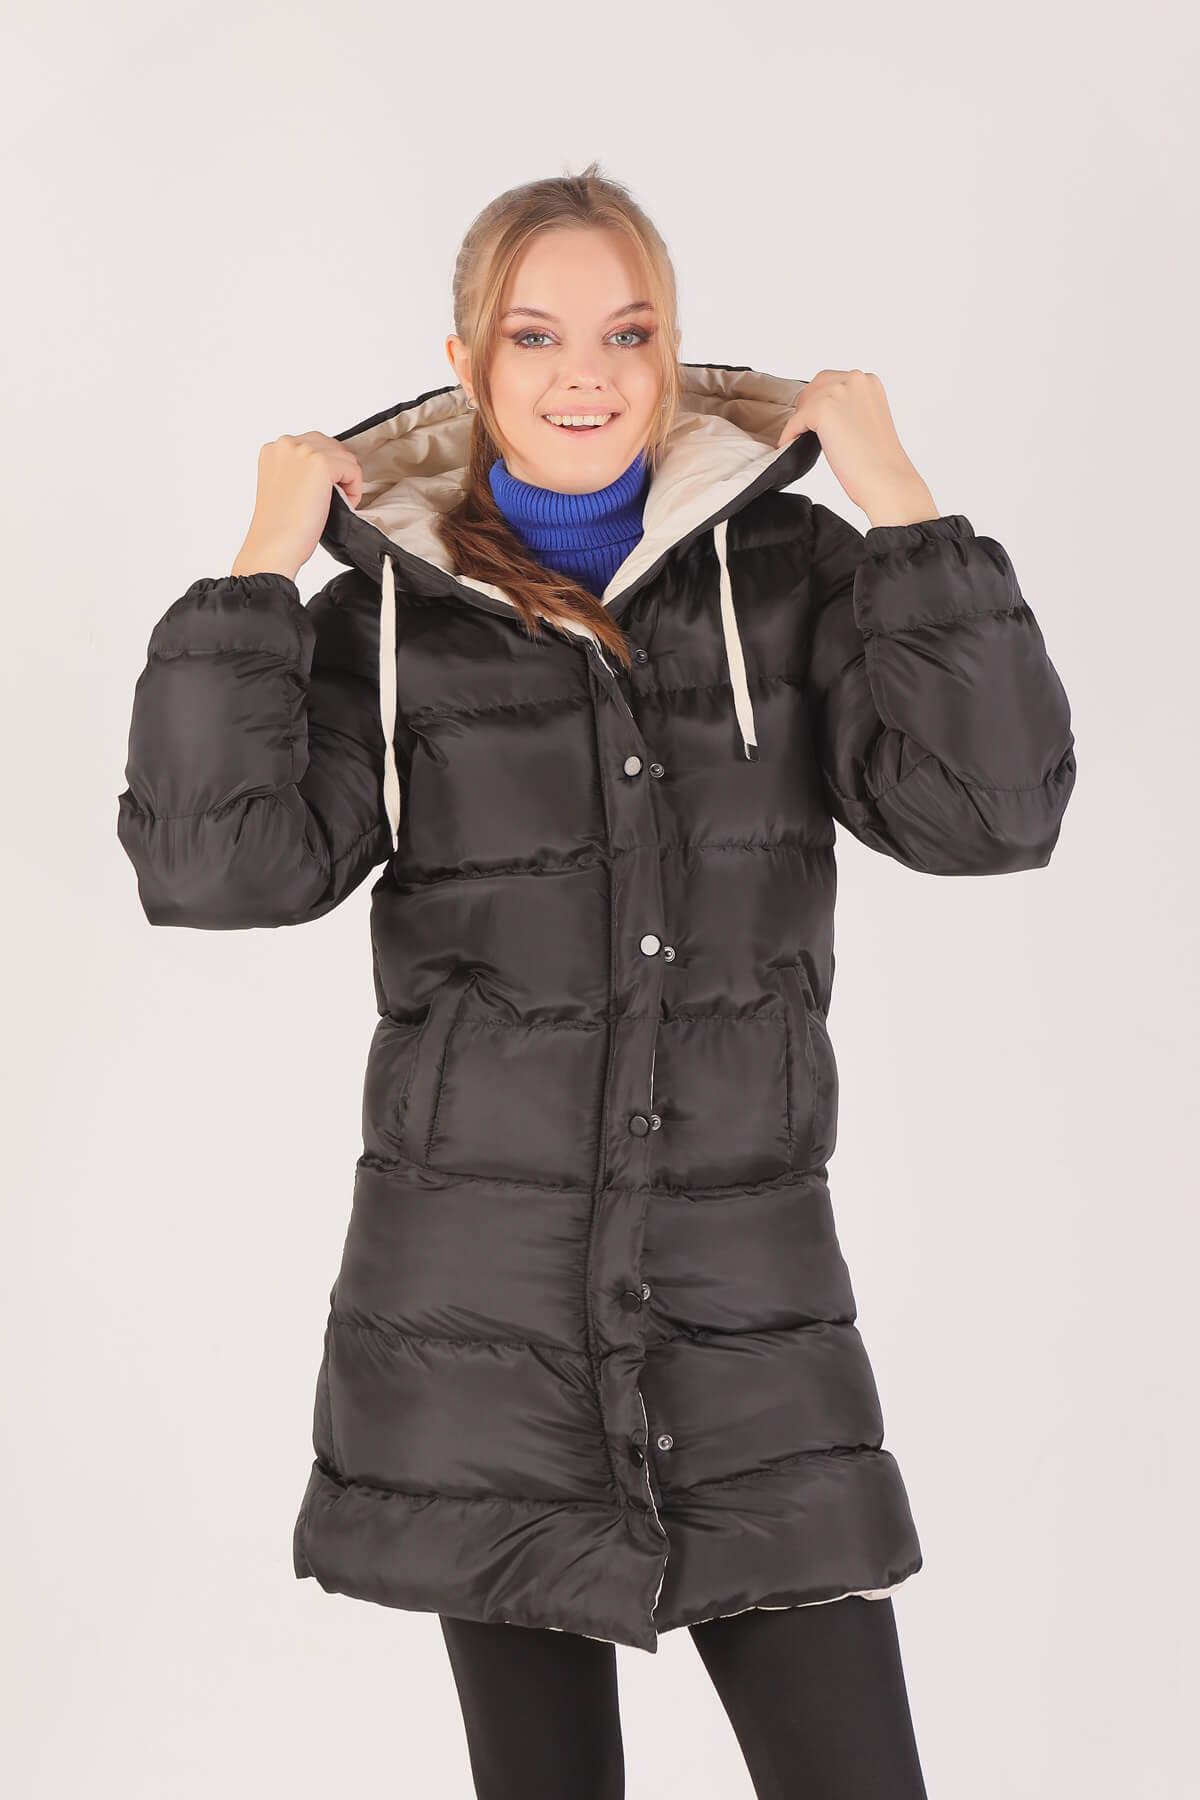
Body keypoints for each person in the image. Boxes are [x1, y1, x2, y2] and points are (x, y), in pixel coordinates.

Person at [116, 161, 1077, 1798]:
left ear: (670, 353)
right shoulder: (383, 622)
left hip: (747, 1302)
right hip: (477, 1318)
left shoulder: (793, 575)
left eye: (629, 334)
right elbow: (215, 873)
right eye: (537, 335)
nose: (587, 375)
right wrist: (262, 573)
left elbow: (992, 818)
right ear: (468, 362)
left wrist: (905, 507)